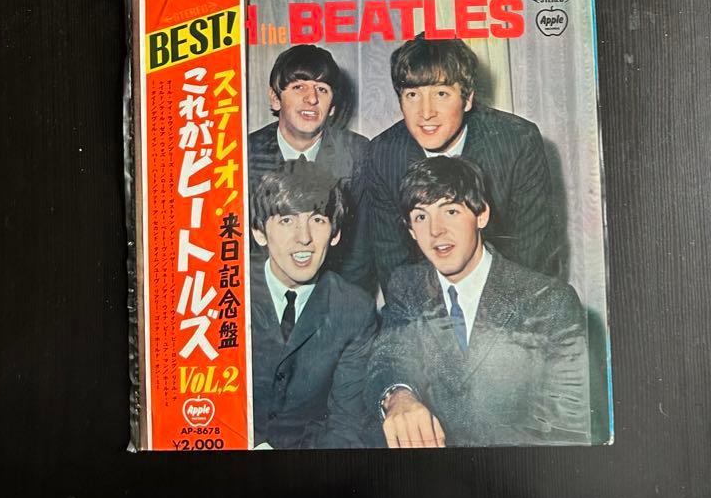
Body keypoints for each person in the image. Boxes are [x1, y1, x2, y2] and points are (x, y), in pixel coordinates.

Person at [367, 156, 589, 447]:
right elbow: (389, 357)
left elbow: (568, 428)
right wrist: (398, 396)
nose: (435, 230)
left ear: (481, 215)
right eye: (421, 217)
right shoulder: (407, 286)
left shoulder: (550, 301)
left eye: (450, 211)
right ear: (411, 231)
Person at [363, 33, 561, 293]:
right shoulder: (383, 154)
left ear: (467, 99)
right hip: (428, 302)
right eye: (412, 95)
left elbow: (533, 256)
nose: (426, 112)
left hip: (508, 296)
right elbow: (394, 269)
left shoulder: (517, 142)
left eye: (441, 93)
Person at [249, 165, 378, 449]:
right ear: (259, 232)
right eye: (286, 220)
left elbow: (347, 426)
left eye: (318, 220)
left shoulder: (354, 309)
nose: (304, 237)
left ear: (335, 234)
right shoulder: (225, 294)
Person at [248, 44, 370, 285]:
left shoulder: (357, 153)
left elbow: (359, 254)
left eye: (322, 90)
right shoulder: (245, 154)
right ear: (275, 98)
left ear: (332, 107)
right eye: (299, 87)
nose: (312, 98)